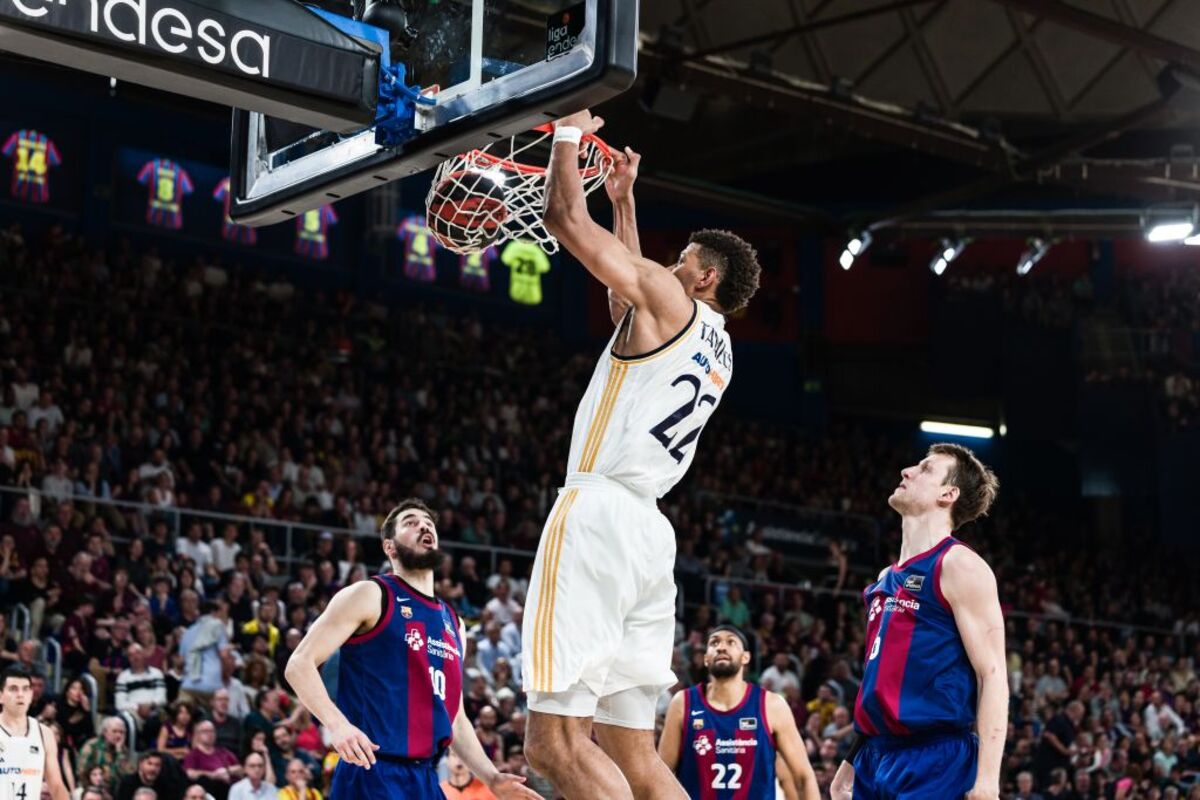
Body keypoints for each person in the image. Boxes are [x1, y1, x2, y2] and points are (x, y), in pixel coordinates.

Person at [523, 109, 761, 800]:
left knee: (554, 746)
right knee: (636, 757)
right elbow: (628, 299)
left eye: (682, 259)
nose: (668, 264)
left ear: (706, 276)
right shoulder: (718, 349)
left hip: (597, 513)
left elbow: (566, 218)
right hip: (650, 538)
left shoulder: (667, 298)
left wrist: (566, 133)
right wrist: (624, 200)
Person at [284, 499, 537, 799]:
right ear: (389, 547)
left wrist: (492, 778)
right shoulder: (370, 594)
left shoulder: (453, 622)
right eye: (411, 522)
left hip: (425, 779)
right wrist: (337, 725)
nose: (424, 525)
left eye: (428, 522)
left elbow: (455, 717)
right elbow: (299, 664)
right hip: (372, 771)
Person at [831, 444, 1007, 800]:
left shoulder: (959, 565)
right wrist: (850, 760)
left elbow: (993, 674)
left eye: (925, 469)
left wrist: (988, 780)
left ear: (948, 494)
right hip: (874, 756)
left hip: (935, 758)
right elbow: (882, 680)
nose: (907, 471)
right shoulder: (885, 578)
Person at [659, 626, 818, 799]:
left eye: (731, 642)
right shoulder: (683, 703)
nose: (721, 647)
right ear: (705, 659)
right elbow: (661, 775)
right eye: (714, 643)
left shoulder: (772, 705)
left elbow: (803, 776)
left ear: (745, 657)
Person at [0, 667, 71, 800]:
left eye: (25, 689)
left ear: (31, 695)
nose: (20, 694)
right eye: (13, 689)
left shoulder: (44, 733)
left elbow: (56, 786)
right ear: (1, 696)